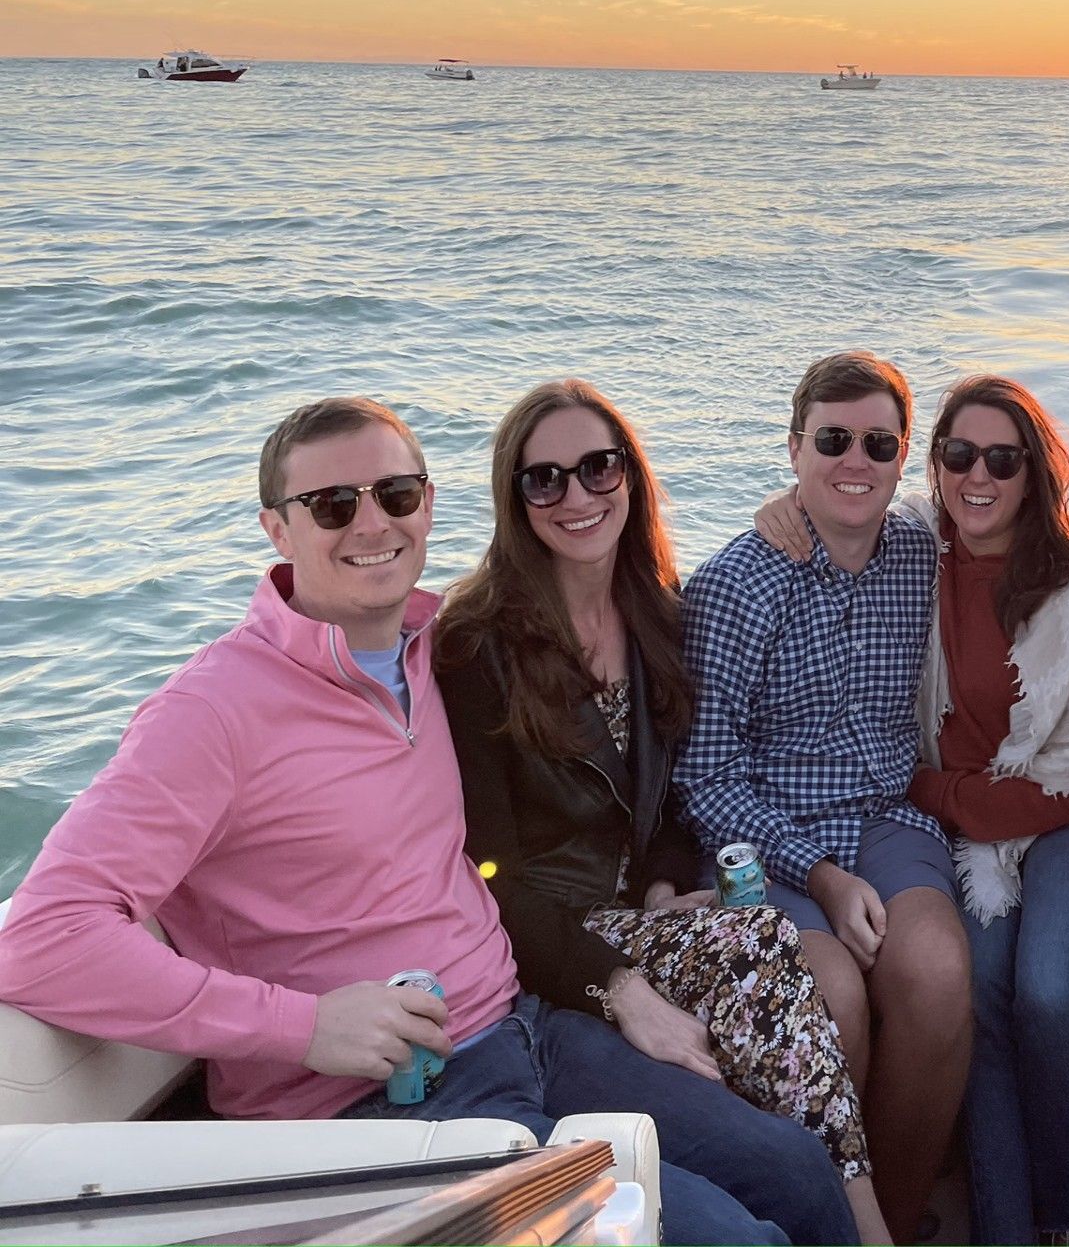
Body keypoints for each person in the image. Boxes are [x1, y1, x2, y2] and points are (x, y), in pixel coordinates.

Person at [0, 397, 854, 1247]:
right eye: (334, 505)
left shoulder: (437, 645)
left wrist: (798, 505)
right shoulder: (211, 713)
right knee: (734, 1238)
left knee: (795, 1171)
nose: (372, 523)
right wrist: (304, 1026)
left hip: (524, 1026)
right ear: (276, 530)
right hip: (372, 1103)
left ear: (430, 504)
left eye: (395, 494)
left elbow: (594, 624)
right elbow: (42, 940)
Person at [433, 379, 889, 1243]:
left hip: (635, 917)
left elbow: (676, 801)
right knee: (764, 944)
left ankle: (835, 1204)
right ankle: (862, 1223)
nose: (577, 496)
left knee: (766, 945)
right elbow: (486, 875)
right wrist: (617, 984)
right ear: (514, 497)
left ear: (631, 478)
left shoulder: (655, 616)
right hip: (549, 941)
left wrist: (663, 884)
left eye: (599, 468)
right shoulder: (477, 648)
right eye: (546, 480)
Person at [758, 375, 1069, 1246]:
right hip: (966, 832)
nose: (979, 476)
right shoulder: (923, 546)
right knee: (978, 990)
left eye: (1003, 459)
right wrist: (786, 501)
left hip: (1068, 813)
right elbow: (844, 491)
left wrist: (916, 790)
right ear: (935, 466)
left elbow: (1053, 788)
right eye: (959, 455)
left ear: (1034, 474)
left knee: (1045, 992)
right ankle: (1003, 1230)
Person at [675, 351, 972, 1242]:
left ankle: (902, 1213)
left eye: (878, 444)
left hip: (885, 816)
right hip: (765, 831)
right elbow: (705, 777)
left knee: (937, 971)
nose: (856, 462)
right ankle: (824, 1225)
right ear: (794, 449)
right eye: (833, 440)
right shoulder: (737, 584)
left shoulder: (922, 549)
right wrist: (823, 875)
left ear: (903, 457)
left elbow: (1009, 524)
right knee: (829, 993)